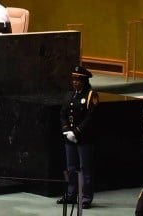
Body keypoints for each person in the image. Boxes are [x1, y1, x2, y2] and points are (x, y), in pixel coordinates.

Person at [56, 65, 98, 208]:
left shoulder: (91, 96)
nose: (75, 82)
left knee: (85, 168)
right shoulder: (69, 95)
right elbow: (63, 114)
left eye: (78, 80)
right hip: (69, 138)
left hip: (84, 138)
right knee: (71, 168)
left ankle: (85, 198)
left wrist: (76, 132)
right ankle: (71, 194)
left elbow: (91, 118)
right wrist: (67, 131)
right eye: (74, 79)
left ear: (85, 81)